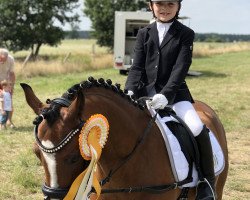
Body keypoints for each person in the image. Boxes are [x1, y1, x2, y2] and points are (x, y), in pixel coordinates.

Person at [125, 0, 216, 199]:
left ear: (178, 7)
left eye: (170, 4)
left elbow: (180, 68)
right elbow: (137, 68)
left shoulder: (185, 34)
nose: (164, 8)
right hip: (145, 96)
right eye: (159, 3)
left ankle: (207, 182)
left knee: (197, 128)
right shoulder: (143, 34)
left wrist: (166, 95)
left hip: (175, 96)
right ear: (151, 6)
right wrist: (130, 91)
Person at [0, 48, 15, 128]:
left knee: (9, 102)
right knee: (1, 102)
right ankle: (2, 122)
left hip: (6, 83)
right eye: (1, 59)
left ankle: (9, 121)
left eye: (4, 59)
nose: (2, 61)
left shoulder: (10, 59)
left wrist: (11, 86)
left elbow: (12, 73)